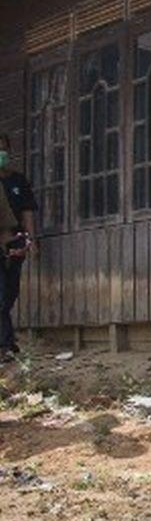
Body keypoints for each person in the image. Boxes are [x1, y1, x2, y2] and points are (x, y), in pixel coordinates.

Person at [0, 133, 38, 360]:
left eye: (3, 150)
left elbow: (27, 212)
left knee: (11, 292)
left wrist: (32, 240)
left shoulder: (17, 181)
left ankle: (7, 342)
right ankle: (4, 345)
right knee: (1, 294)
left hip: (16, 242)